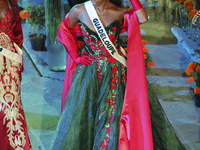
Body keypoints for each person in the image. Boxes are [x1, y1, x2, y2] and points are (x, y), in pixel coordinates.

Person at [51, 0, 186, 149]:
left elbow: (142, 18)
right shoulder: (80, 10)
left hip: (115, 73)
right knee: (83, 118)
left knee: (112, 117)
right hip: (88, 73)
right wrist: (75, 55)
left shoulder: (120, 11)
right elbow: (64, 29)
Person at [0, 0, 31, 149]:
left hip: (11, 65)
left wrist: (18, 63)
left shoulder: (12, 2)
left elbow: (18, 35)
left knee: (12, 109)